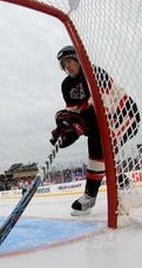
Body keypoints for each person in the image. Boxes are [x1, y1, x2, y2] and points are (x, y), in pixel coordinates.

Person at [50, 46, 139, 216]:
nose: (67, 66)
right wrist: (66, 127)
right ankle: (125, 185)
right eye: (64, 64)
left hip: (124, 114)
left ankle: (90, 195)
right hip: (100, 121)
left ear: (78, 59)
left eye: (69, 61)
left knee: (99, 143)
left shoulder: (94, 72)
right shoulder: (67, 85)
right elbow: (74, 112)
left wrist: (79, 124)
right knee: (101, 147)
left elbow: (100, 106)